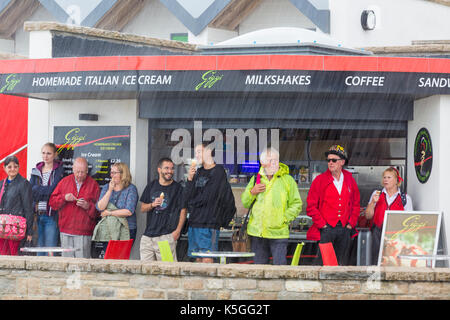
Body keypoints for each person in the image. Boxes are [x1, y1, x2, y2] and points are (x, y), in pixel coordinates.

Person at [241, 147, 302, 265]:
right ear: (263, 163)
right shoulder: (256, 179)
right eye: (271, 160)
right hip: (257, 232)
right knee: (259, 270)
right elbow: (245, 202)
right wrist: (252, 192)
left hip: (278, 233)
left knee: (279, 270)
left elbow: (297, 203)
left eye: (276, 160)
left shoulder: (287, 180)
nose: (274, 163)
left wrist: (284, 218)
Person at [306, 145, 360, 265]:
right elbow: (310, 207)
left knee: (342, 264)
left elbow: (356, 204)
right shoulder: (320, 180)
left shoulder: (350, 179)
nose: (330, 163)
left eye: (334, 160)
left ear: (342, 162)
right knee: (324, 263)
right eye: (328, 160)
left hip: (345, 229)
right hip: (327, 229)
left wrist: (351, 224)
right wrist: (323, 225)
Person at [184, 143, 236, 263]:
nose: (196, 155)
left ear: (208, 152)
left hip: (209, 223)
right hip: (194, 222)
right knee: (196, 256)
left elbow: (209, 196)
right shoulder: (198, 172)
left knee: (207, 258)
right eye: (195, 152)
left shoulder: (218, 171)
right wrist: (190, 179)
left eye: (199, 152)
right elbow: (187, 197)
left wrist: (193, 201)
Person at [49, 157, 100, 258]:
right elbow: (52, 202)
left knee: (82, 264)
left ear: (87, 171)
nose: (80, 175)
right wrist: (64, 198)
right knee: (67, 264)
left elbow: (99, 211)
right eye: (77, 172)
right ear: (73, 169)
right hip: (65, 229)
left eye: (82, 172)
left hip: (84, 231)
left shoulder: (93, 185)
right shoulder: (64, 182)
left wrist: (88, 206)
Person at [139, 158, 187, 261]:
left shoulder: (178, 188)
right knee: (146, 272)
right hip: (148, 238)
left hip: (166, 237)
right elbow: (142, 208)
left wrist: (177, 232)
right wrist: (152, 204)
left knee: (167, 271)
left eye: (172, 168)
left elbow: (183, 211)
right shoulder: (151, 186)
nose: (170, 171)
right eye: (166, 168)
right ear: (159, 169)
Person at [365, 167, 413, 265]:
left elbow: (409, 222)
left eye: (389, 177)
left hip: (396, 236)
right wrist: (373, 202)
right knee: (375, 260)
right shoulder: (376, 194)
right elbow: (368, 216)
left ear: (396, 180)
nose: (385, 180)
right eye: (384, 177)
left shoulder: (406, 198)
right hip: (377, 232)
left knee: (393, 261)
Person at [94, 162, 138, 256]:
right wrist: (110, 190)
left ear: (123, 174)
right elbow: (100, 207)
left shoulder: (131, 189)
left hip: (126, 228)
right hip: (109, 228)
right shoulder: (106, 187)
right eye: (111, 172)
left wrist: (109, 213)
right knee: (109, 257)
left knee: (121, 258)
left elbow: (129, 211)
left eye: (114, 173)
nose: (111, 175)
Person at [29, 143, 64, 255]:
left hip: (51, 215)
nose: (46, 156)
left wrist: (39, 189)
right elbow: (31, 190)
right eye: (43, 153)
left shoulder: (58, 171)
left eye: (49, 153)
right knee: (39, 249)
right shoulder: (36, 170)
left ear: (54, 154)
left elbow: (53, 190)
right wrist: (45, 191)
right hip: (37, 215)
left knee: (50, 249)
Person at [0, 156, 33, 255]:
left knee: (15, 255)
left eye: (15, 166)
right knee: (2, 255)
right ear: (4, 168)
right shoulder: (2, 184)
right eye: (9, 167)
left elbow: (28, 208)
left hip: (16, 227)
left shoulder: (24, 183)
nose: (12, 169)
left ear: (19, 167)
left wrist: (29, 231)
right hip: (3, 226)